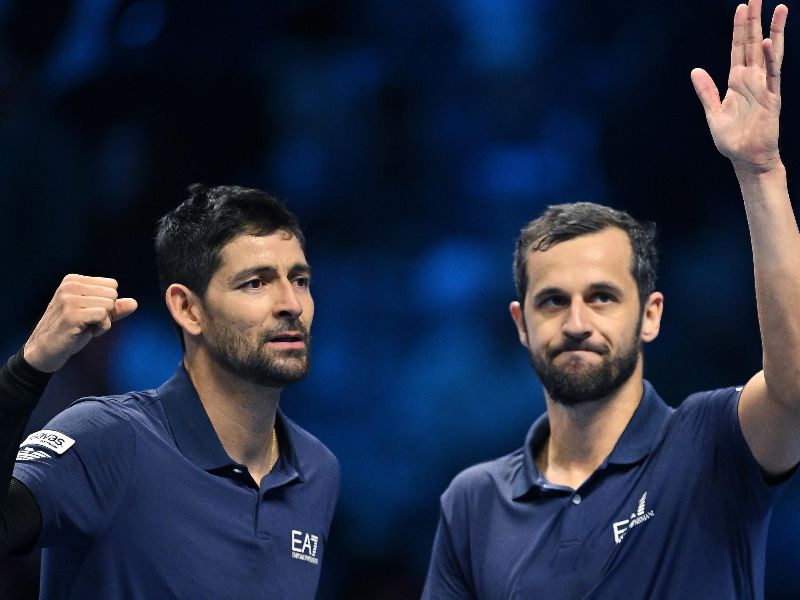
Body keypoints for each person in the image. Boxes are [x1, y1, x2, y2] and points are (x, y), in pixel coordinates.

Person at [422, 1, 798, 598]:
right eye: (551, 302)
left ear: (650, 314)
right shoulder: (473, 503)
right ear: (520, 324)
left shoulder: (710, 444)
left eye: (601, 297)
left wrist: (761, 174)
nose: (576, 322)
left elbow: (796, 385)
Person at [0, 184, 339, 598]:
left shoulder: (317, 470)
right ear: (187, 309)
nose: (292, 303)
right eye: (255, 283)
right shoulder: (109, 438)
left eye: (300, 280)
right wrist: (29, 366)